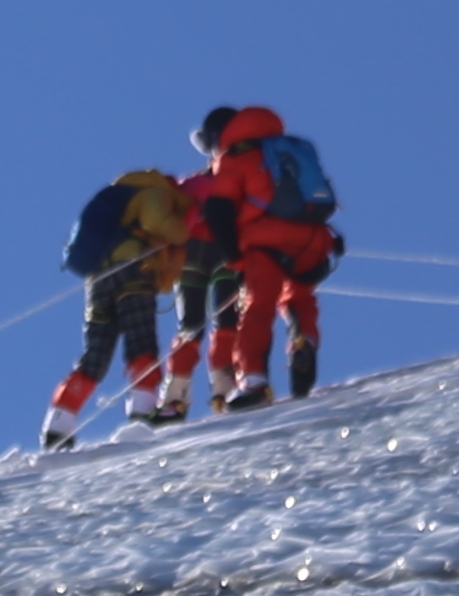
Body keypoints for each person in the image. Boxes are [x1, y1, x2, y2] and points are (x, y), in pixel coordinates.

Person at [41, 167, 200, 444]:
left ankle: (59, 422)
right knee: (141, 341)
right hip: (134, 270)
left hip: (97, 281)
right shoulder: (157, 192)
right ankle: (143, 410)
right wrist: (183, 232)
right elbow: (157, 222)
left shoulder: (119, 196)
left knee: (95, 353)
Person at [204, 102, 342, 411]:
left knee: (258, 307)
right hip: (315, 238)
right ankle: (303, 342)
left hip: (266, 241)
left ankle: (254, 381)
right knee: (299, 298)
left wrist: (233, 256)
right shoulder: (289, 147)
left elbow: (218, 209)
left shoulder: (234, 156)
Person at [161, 115, 260, 421]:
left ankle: (175, 395)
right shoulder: (239, 179)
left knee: (189, 324)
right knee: (226, 319)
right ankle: (225, 387)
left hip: (190, 254)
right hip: (226, 251)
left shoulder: (191, 183)